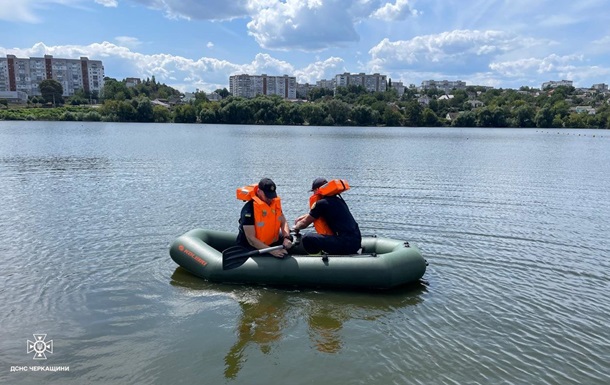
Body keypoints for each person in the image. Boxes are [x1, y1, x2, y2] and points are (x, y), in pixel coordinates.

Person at [292, 177, 361, 255]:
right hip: (356, 242)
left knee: (307, 237)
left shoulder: (321, 204)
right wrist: (304, 217)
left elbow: (304, 223)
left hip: (344, 244)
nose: (313, 194)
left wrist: (296, 227)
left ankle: (317, 258)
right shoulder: (338, 200)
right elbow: (316, 214)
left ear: (318, 190)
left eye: (314, 191)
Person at [236, 177, 292, 258]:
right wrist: (271, 251)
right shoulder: (249, 210)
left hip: (269, 242)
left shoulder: (274, 204)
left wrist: (287, 237)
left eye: (272, 196)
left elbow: (283, 222)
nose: (270, 199)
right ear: (259, 192)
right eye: (267, 196)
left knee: (291, 240)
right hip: (251, 247)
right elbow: (251, 239)